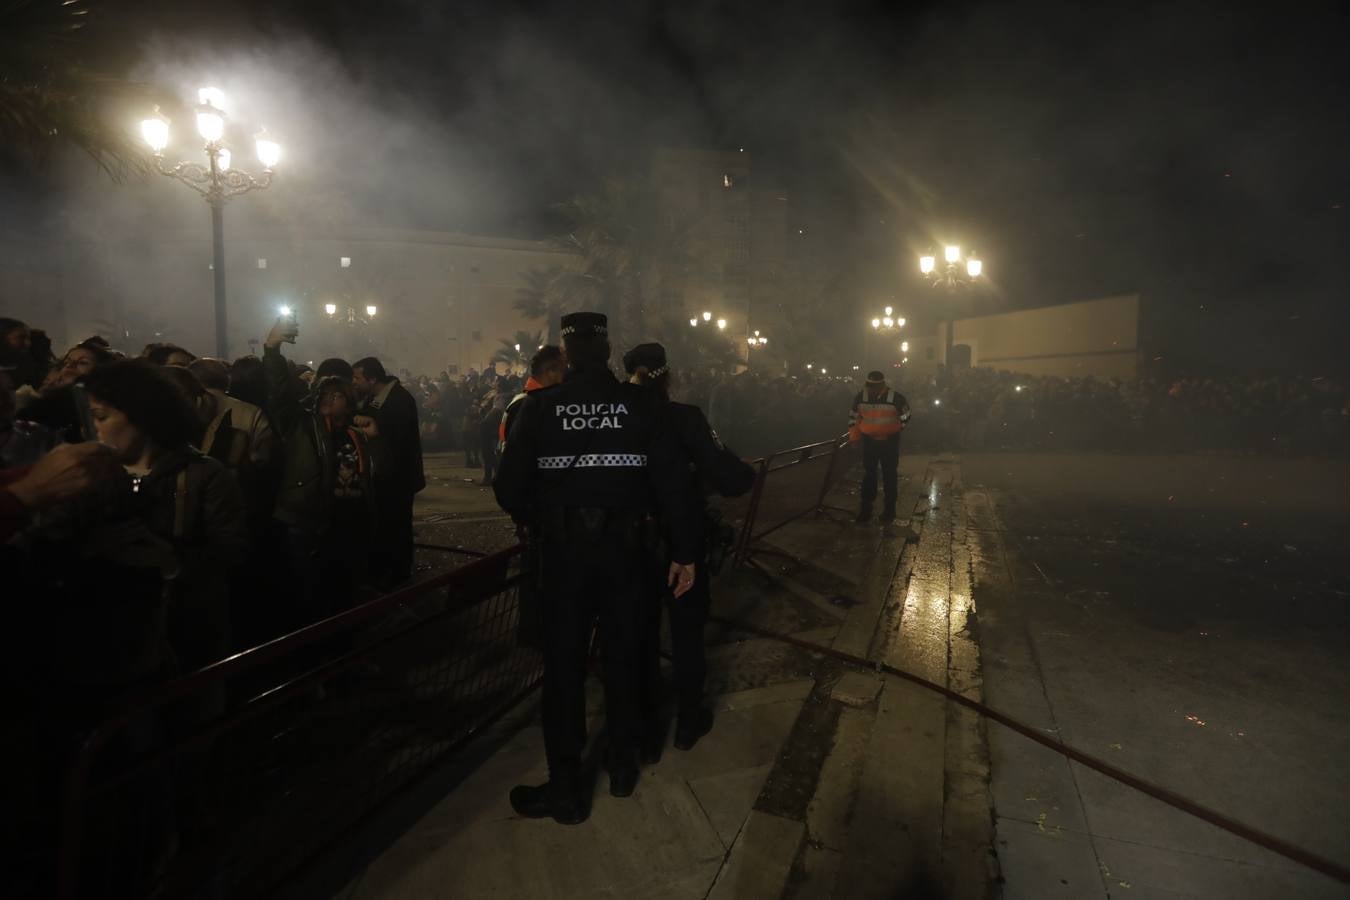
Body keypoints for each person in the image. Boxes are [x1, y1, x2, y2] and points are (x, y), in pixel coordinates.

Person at [493, 312, 698, 824]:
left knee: (563, 670)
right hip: (628, 552)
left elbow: (508, 489)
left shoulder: (539, 409)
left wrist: (543, 516)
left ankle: (566, 789)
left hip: (563, 556)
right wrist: (685, 552)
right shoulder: (643, 407)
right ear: (607, 352)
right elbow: (674, 486)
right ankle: (623, 766)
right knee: (627, 656)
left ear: (565, 355)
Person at [623, 343, 756, 754]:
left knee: (635, 633)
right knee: (686, 633)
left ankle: (643, 728)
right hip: (680, 542)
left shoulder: (612, 421)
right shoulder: (684, 418)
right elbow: (732, 478)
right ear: (667, 376)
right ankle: (688, 720)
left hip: (626, 547)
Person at [81, 360, 250, 682]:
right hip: (109, 642)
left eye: (102, 416)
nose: (93, 428)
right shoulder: (89, 475)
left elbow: (232, 551)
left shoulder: (204, 474)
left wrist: (169, 560)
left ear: (144, 416)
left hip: (186, 634)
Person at [274, 376, 385, 625]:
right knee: (312, 587)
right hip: (314, 518)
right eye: (326, 394)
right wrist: (273, 350)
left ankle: (344, 641)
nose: (330, 399)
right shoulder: (306, 428)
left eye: (338, 395)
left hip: (351, 517)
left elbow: (371, 475)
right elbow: (280, 402)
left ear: (348, 400)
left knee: (345, 587)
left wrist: (373, 439)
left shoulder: (355, 434)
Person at [352, 356, 425, 588]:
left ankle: (399, 575)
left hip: (398, 477)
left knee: (398, 525)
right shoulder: (374, 399)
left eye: (357, 378)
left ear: (372, 378)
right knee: (385, 524)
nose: (354, 383)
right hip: (385, 475)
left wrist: (375, 429)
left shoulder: (399, 399)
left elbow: (400, 439)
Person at [848, 370, 911, 522]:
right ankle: (866, 510)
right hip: (870, 442)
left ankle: (889, 512)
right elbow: (853, 419)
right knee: (870, 475)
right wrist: (855, 438)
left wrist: (895, 429)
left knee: (889, 476)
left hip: (889, 441)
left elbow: (906, 416)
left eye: (872, 386)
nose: (870, 389)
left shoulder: (896, 398)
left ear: (882, 385)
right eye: (869, 386)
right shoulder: (861, 397)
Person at [498, 345, 565, 452]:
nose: (566, 377)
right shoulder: (526, 405)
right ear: (550, 372)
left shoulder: (525, 401)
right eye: (563, 371)